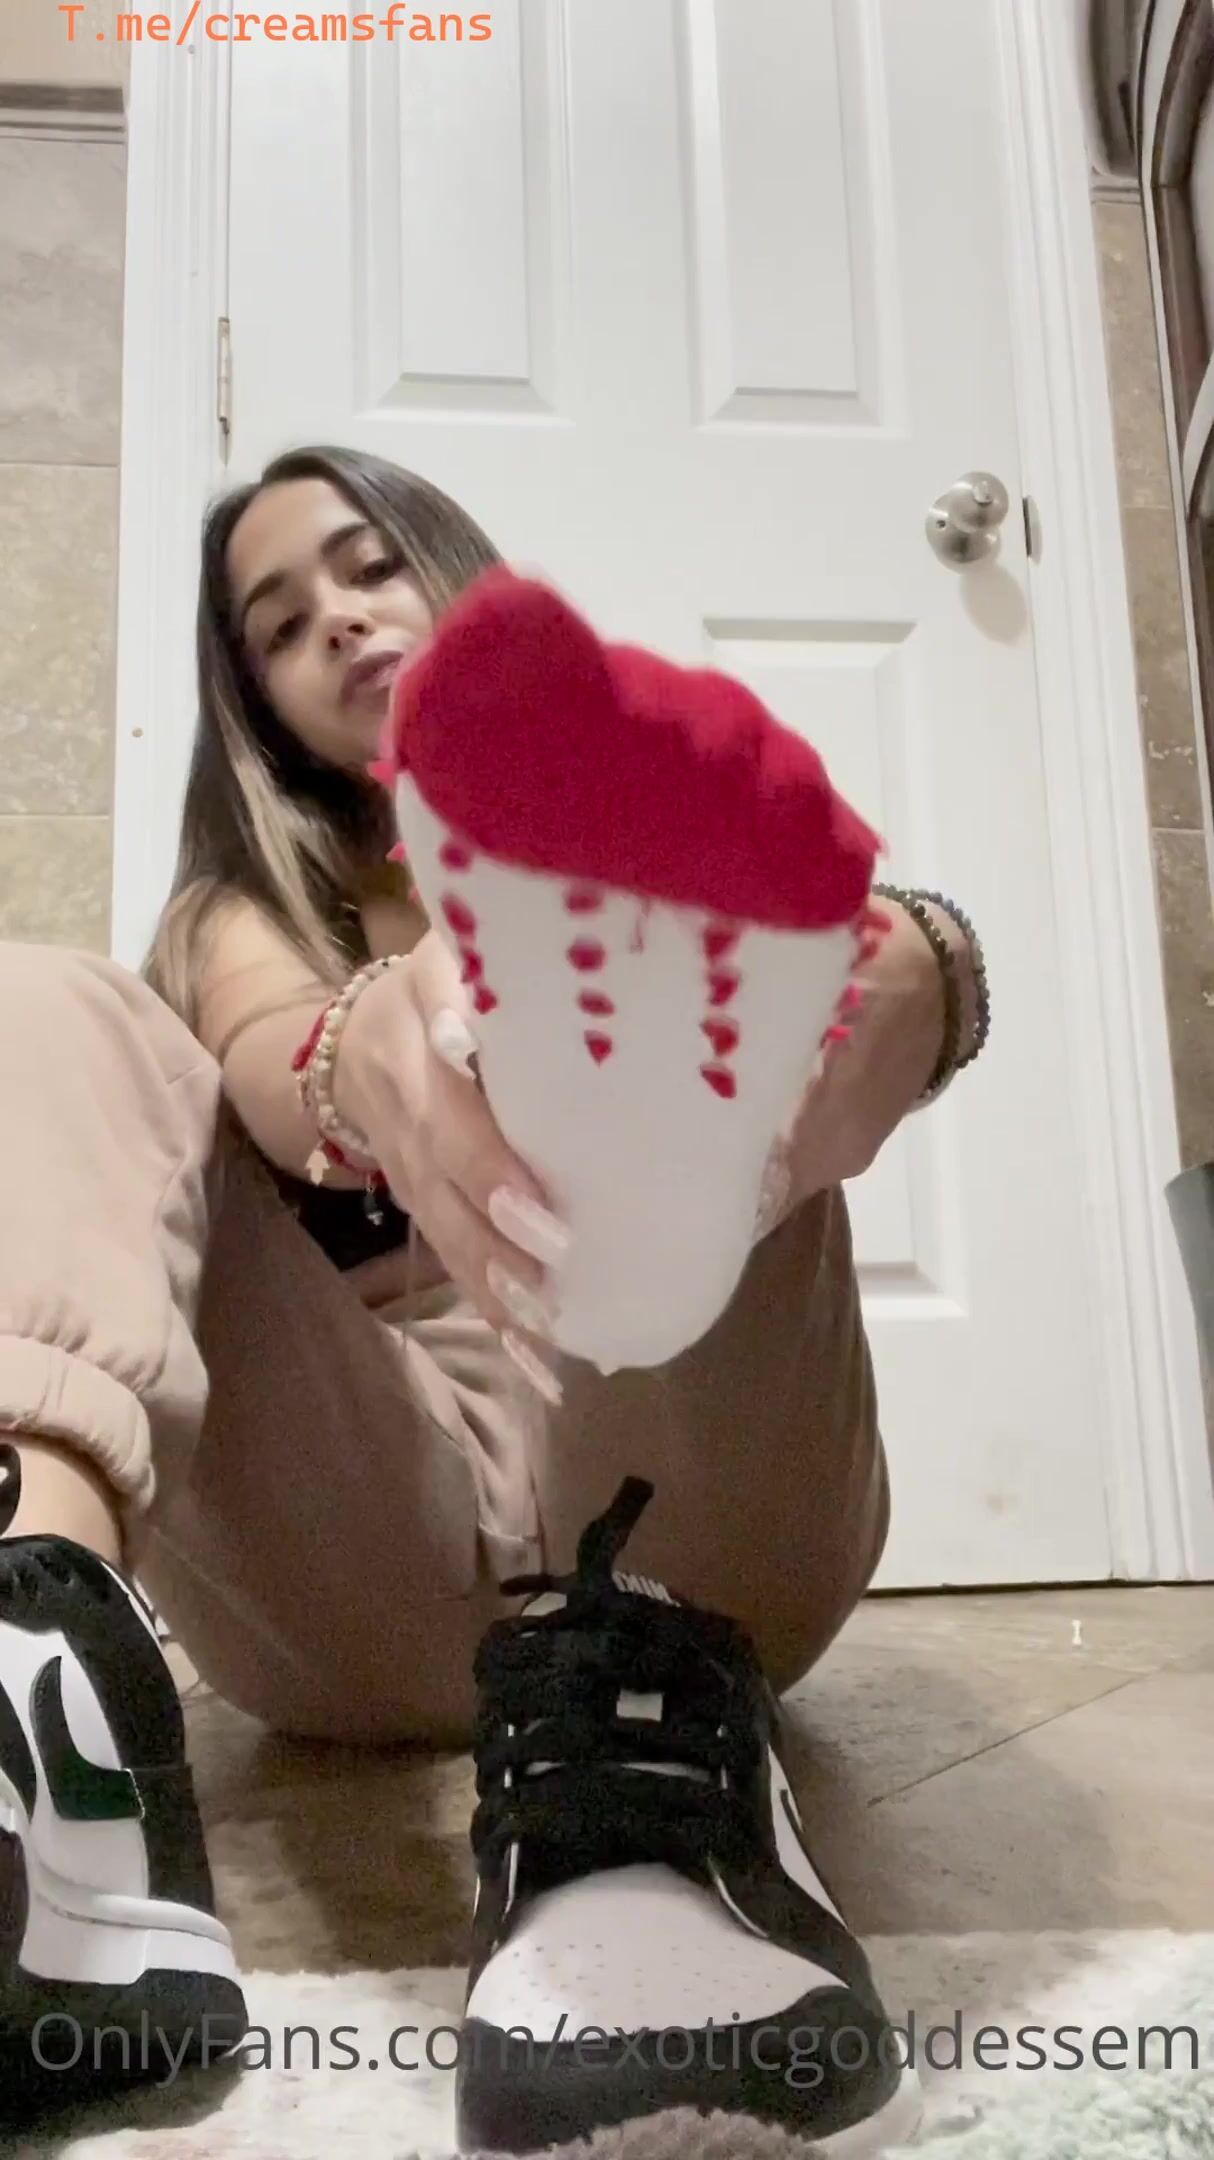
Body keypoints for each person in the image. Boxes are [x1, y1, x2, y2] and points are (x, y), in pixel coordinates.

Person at [0, 446, 986, 2152]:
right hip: (363, 1557)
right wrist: (361, 1052)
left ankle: (639, 1784)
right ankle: (36, 1696)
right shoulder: (243, 913)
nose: (334, 622)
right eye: (277, 624)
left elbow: (849, 939)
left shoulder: (643, 842)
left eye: (367, 564)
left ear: (451, 568)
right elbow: (272, 1055)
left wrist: (924, 958)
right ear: (253, 700)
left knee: (687, 987)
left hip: (700, 1532)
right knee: (37, 1000)